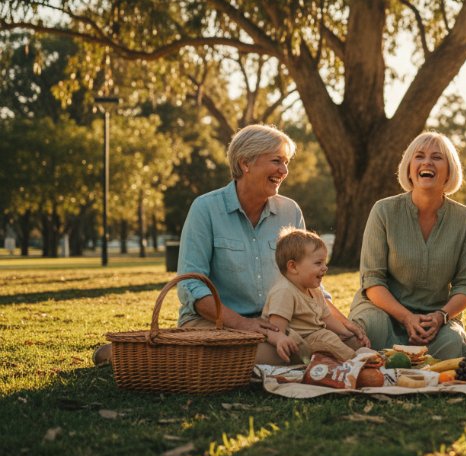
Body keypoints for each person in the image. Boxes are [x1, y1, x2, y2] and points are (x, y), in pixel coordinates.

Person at [93, 124, 367, 366]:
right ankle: (125, 354)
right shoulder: (205, 209)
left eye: (286, 163)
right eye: (276, 161)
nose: (284, 171)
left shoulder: (289, 211)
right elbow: (191, 288)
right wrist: (244, 324)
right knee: (276, 354)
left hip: (275, 323)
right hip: (216, 323)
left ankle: (275, 353)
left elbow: (308, 279)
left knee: (352, 344)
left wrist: (343, 324)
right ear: (246, 163)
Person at [348, 132, 466, 360]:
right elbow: (372, 281)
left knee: (452, 345)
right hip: (383, 312)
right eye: (419, 156)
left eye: (437, 157)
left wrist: (440, 317)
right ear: (409, 167)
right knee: (370, 330)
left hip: (436, 320)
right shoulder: (384, 211)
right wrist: (406, 317)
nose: (427, 162)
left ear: (450, 170)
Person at [262, 228, 367, 363]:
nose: (325, 267)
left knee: (349, 340)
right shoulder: (284, 292)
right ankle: (356, 363)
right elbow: (275, 328)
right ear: (293, 267)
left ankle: (365, 357)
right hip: (299, 344)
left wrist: (348, 334)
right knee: (328, 340)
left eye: (324, 262)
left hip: (318, 337)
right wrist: (280, 339)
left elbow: (327, 317)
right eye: (318, 263)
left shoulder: (315, 290)